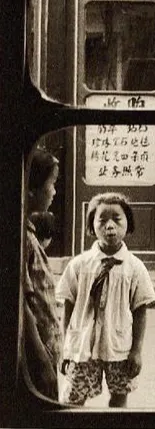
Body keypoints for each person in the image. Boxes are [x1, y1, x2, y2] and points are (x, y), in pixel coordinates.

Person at [56, 192, 155, 407]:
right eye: (102, 220)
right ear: (91, 226)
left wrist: (137, 351)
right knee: (73, 398)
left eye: (117, 219)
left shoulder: (135, 268)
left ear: (128, 224)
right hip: (82, 346)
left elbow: (140, 310)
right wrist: (66, 347)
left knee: (119, 396)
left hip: (119, 346)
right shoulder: (79, 265)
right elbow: (68, 306)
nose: (110, 226)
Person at [21, 148, 61, 401]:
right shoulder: (23, 237)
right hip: (36, 353)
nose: (54, 191)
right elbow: (22, 302)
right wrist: (41, 358)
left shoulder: (29, 231)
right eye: (52, 183)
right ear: (32, 189)